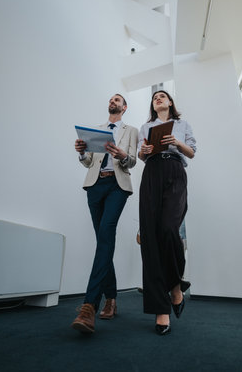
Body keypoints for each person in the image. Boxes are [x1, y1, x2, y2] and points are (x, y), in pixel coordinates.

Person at [71, 94, 138, 334]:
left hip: (117, 186)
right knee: (103, 242)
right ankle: (111, 298)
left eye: (118, 99)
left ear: (124, 107)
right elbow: (88, 161)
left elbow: (132, 162)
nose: (114, 101)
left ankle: (89, 306)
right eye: (111, 99)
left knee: (106, 233)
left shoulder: (131, 131)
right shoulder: (96, 130)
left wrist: (122, 155)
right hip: (95, 186)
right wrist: (81, 151)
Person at [138, 90, 196, 335]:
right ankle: (162, 310)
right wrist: (145, 150)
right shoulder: (146, 126)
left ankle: (175, 287)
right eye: (154, 98)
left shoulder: (183, 124)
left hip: (174, 171)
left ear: (170, 101)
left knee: (169, 229)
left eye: (162, 96)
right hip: (152, 171)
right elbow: (141, 155)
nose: (158, 99)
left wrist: (176, 142)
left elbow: (191, 152)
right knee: (150, 240)